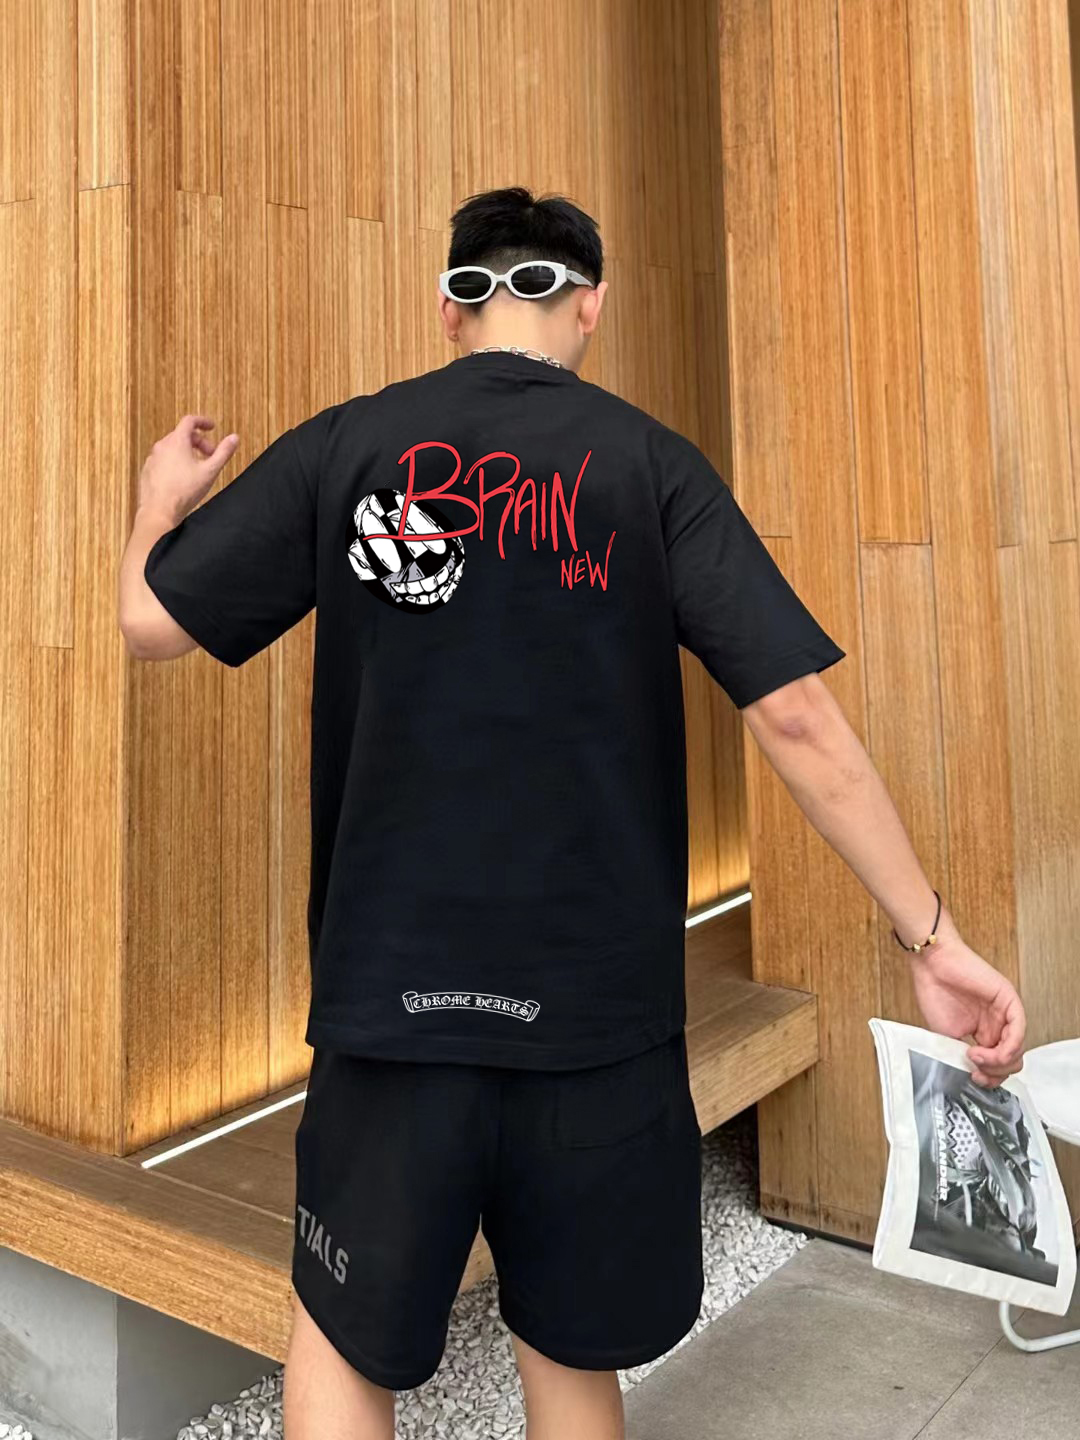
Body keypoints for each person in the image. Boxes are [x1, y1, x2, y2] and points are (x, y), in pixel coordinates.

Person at [117, 186, 1026, 1440]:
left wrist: (159, 502)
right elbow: (798, 718)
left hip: (394, 1015)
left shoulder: (350, 448)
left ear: (451, 310)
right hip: (598, 1024)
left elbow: (150, 622)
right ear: (590, 306)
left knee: (340, 1343)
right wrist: (931, 938)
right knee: (569, 1357)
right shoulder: (650, 466)